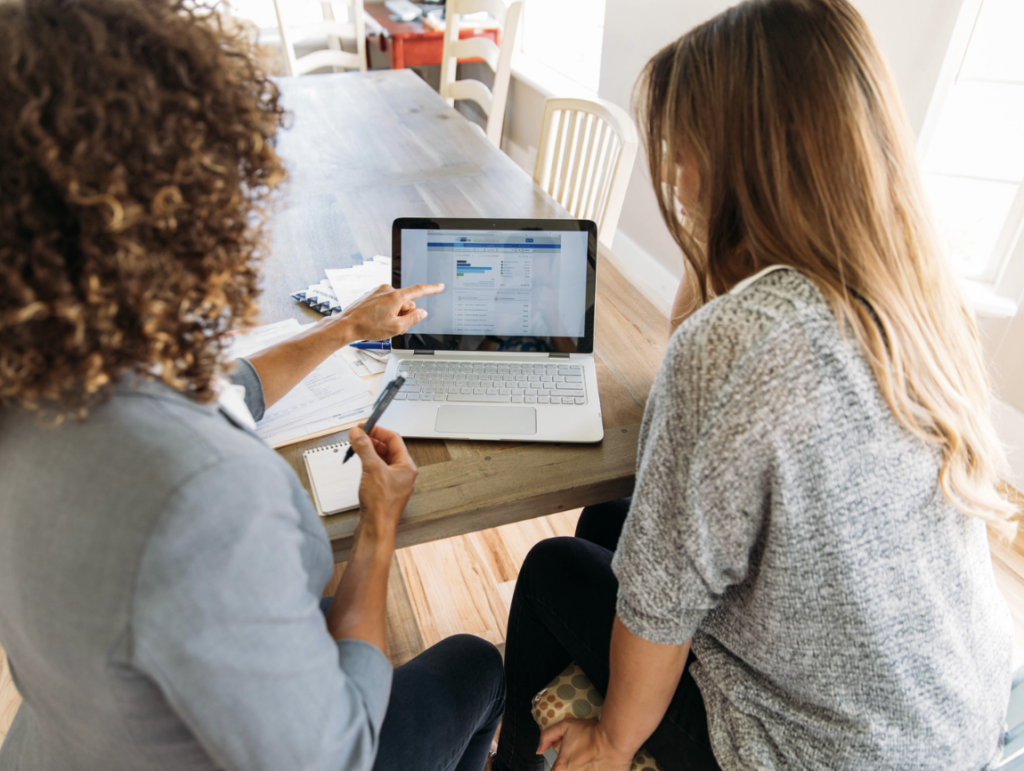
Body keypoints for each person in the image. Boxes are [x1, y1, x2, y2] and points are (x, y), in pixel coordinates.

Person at [492, 1, 1016, 769]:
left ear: (740, 155)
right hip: (953, 713)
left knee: (547, 571)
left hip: (825, 753)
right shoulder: (910, 294)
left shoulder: (741, 341)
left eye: (682, 147)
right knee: (609, 518)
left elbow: (660, 607)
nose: (671, 173)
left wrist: (612, 737)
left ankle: (522, 761)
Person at [0, 2, 503, 770]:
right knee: (476, 664)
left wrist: (341, 329)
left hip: (68, 740)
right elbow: (335, 757)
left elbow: (222, 387)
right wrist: (376, 528)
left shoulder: (44, 375)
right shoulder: (201, 494)